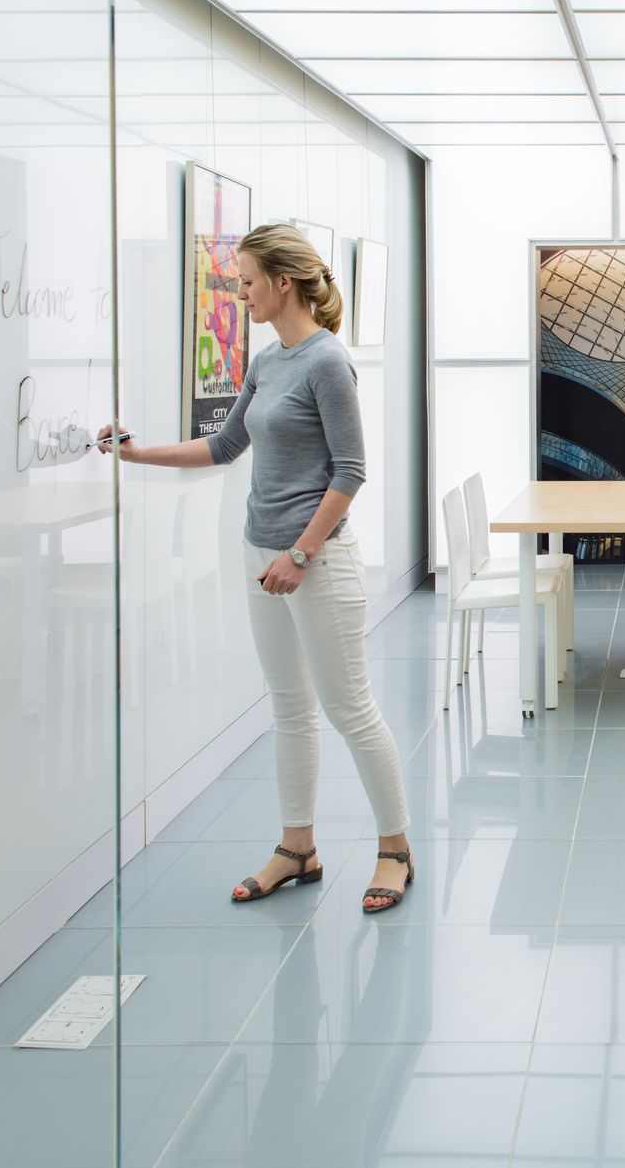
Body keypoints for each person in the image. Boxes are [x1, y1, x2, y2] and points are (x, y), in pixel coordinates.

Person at [99, 224, 412, 912]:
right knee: (290, 707)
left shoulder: (328, 362)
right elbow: (225, 445)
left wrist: (301, 554)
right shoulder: (268, 361)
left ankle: (395, 849)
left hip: (315, 561)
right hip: (259, 554)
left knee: (350, 708)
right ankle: (297, 846)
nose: (239, 294)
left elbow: (350, 470)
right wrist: (136, 453)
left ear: (283, 283)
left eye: (245, 281)